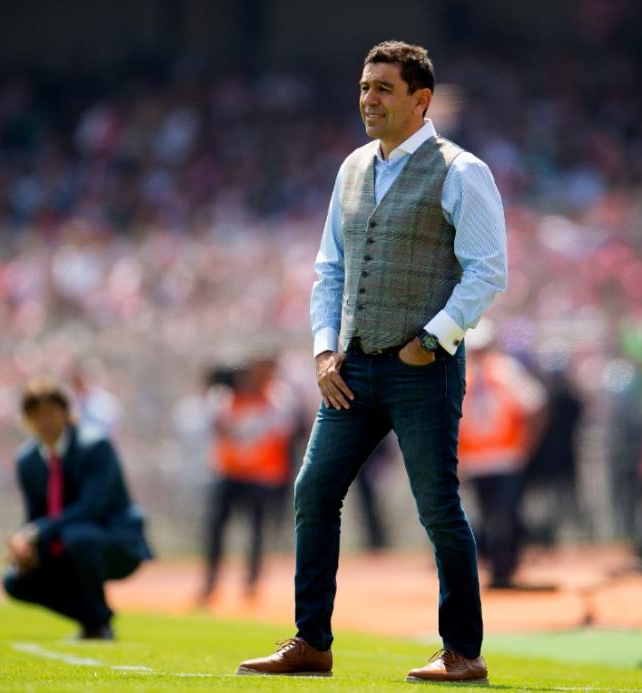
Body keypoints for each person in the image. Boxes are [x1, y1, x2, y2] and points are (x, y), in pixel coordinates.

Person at [237, 40, 507, 684]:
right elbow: (329, 268)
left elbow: (488, 271)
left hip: (423, 369)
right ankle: (312, 641)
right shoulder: (353, 168)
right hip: (352, 367)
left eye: (384, 88)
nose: (369, 99)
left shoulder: (462, 170)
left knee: (437, 507)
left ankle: (462, 652)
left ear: (421, 99)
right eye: (364, 87)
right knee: (313, 491)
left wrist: (432, 339)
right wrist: (323, 349)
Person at [2, 378, 153, 640]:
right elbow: (35, 516)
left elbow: (90, 508)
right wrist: (25, 545)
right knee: (14, 580)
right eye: (36, 415)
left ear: (66, 412)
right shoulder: (27, 460)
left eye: (50, 413)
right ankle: (95, 621)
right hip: (63, 544)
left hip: (114, 544)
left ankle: (98, 621)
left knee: (79, 536)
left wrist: (35, 532)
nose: (45, 422)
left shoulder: (95, 446)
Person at [199, 355, 296, 604]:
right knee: (216, 528)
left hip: (260, 474)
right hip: (229, 472)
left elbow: (283, 430)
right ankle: (211, 580)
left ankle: (252, 581)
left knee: (257, 530)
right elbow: (215, 423)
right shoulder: (225, 398)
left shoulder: (275, 398)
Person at [458, 322, 547, 589]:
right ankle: (497, 566)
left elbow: (536, 406)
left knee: (506, 514)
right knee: (487, 516)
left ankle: (505, 566)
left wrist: (526, 446)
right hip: (477, 462)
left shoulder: (505, 371)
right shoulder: (462, 374)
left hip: (506, 458)